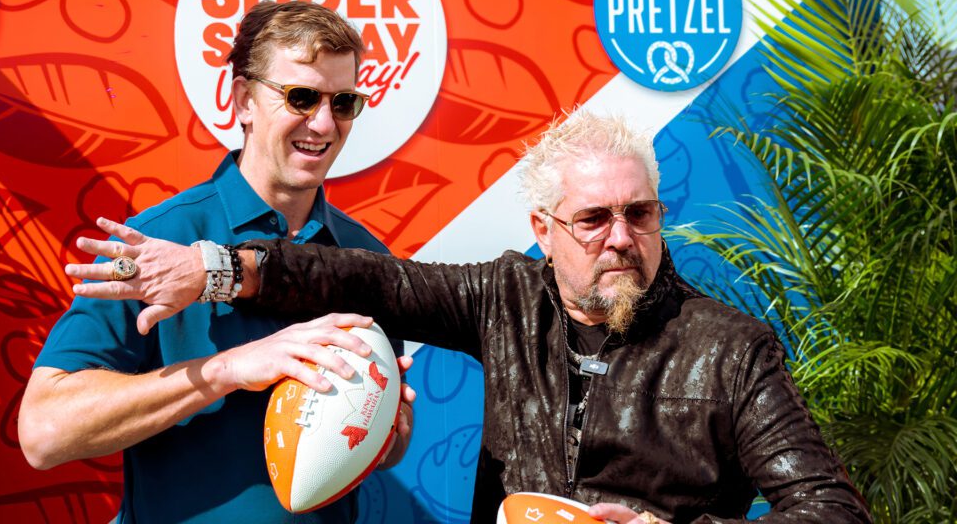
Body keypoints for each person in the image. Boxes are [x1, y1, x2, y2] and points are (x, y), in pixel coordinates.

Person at [65, 110, 872, 523]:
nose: (622, 238)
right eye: (594, 219)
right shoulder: (506, 298)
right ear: (544, 230)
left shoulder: (731, 349)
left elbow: (833, 511)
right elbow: (366, 281)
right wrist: (215, 269)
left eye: (641, 213)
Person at [19, 0, 414, 523]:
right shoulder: (161, 241)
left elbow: (379, 451)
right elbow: (44, 432)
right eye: (300, 97)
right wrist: (228, 369)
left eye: (343, 103)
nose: (322, 124)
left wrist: (385, 430)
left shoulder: (368, 258)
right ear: (244, 99)